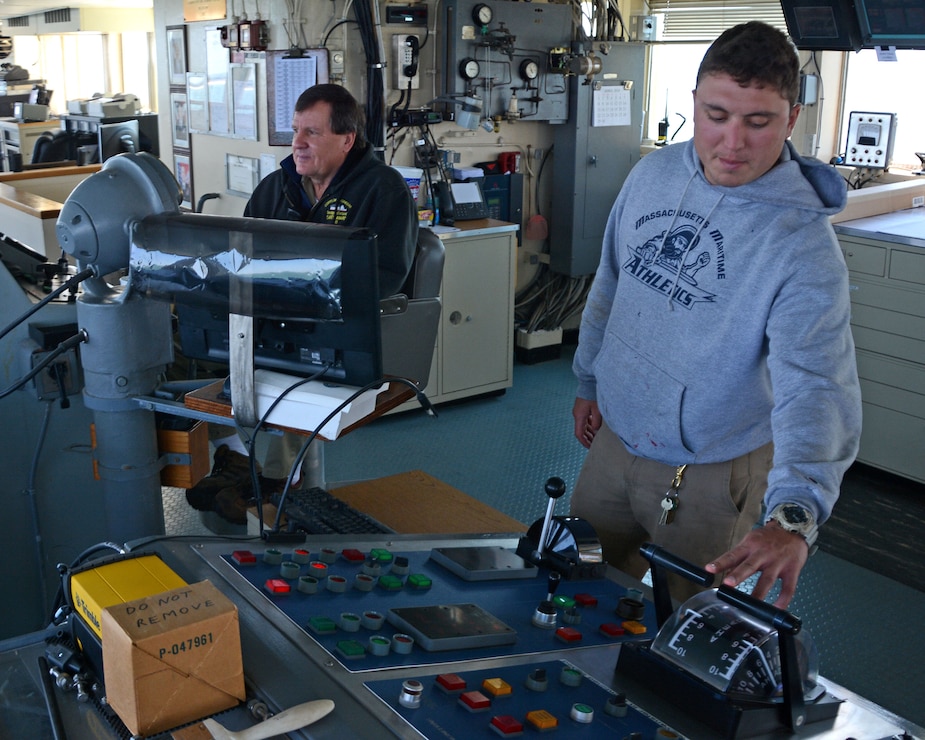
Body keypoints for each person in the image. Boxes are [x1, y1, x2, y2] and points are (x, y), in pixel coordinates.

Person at [568, 21, 862, 609]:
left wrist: (794, 513)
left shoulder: (801, 247)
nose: (732, 143)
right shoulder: (653, 174)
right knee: (579, 590)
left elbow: (817, 385)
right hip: (616, 438)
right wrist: (590, 378)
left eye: (758, 122)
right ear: (694, 103)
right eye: (715, 115)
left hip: (713, 468)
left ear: (791, 119)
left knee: (687, 631)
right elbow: (613, 281)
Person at [186, 83, 418, 522]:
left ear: (347, 139)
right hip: (272, 318)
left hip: (340, 328)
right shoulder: (277, 187)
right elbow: (242, 257)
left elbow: (386, 277)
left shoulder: (382, 190)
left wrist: (304, 295)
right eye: (295, 130)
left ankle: (275, 480)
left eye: (311, 132)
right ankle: (234, 457)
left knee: (290, 382)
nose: (297, 142)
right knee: (191, 354)